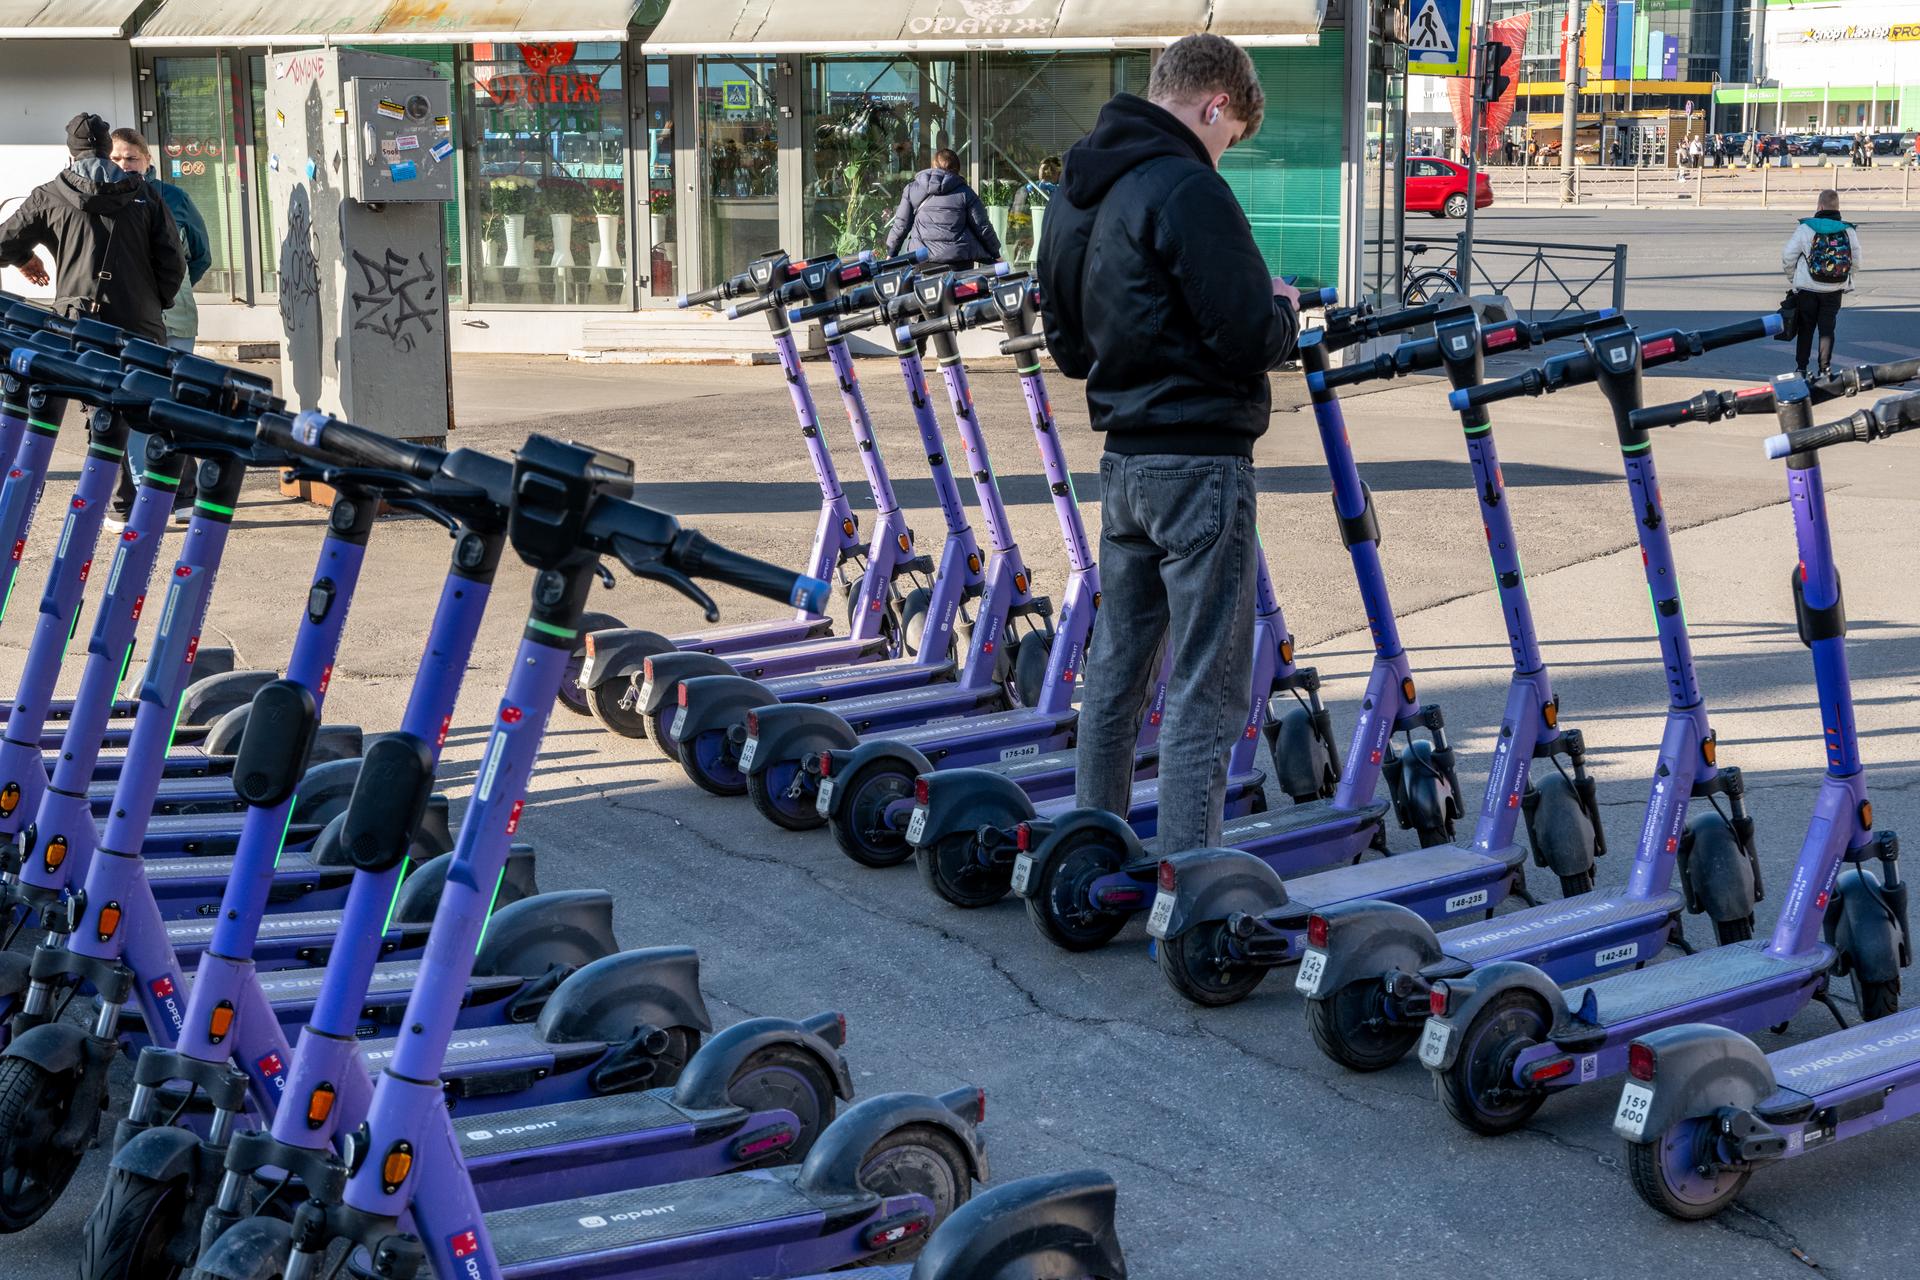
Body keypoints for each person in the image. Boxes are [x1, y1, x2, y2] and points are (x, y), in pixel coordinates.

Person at [1036, 33, 1299, 856]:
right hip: (1201, 465)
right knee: (1204, 687)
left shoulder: (1076, 192)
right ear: (1214, 104)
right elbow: (1248, 332)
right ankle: (1192, 882)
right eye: (1228, 137)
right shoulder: (1189, 187)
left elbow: (1070, 349)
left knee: (1115, 672)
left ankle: (1093, 850)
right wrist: (1284, 308)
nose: (1224, 155)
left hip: (1124, 464)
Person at [0, 112, 184, 340]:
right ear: (108, 149)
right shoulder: (145, 194)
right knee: (143, 376)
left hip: (75, 322)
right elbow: (173, 260)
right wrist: (154, 301)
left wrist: (24, 259)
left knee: (83, 376)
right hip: (140, 320)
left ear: (71, 152)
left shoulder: (48, 196)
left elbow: (2, 244)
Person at [108, 126, 210, 526]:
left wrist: (169, 292)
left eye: (131, 157)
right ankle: (129, 499)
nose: (123, 165)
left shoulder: (174, 198)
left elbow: (199, 256)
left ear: (148, 161)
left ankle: (183, 494)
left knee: (169, 407)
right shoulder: (97, 198)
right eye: (115, 158)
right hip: (127, 320)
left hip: (173, 319)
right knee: (126, 406)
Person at [1781, 189, 1862, 381]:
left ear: (1820, 206)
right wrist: (1844, 277)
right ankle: (1825, 370)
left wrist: (1795, 279)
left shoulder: (1806, 228)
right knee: (1827, 330)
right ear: (1837, 207)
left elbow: (1788, 256)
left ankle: (1801, 368)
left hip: (1807, 289)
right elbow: (1856, 260)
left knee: (1805, 328)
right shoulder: (1848, 230)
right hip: (1834, 289)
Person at [882, 148, 1000, 271]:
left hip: (922, 259)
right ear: (957, 169)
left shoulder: (912, 189)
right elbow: (982, 226)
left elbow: (901, 225)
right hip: (958, 262)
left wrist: (891, 253)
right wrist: (996, 254)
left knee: (923, 290)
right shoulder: (966, 192)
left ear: (933, 167)